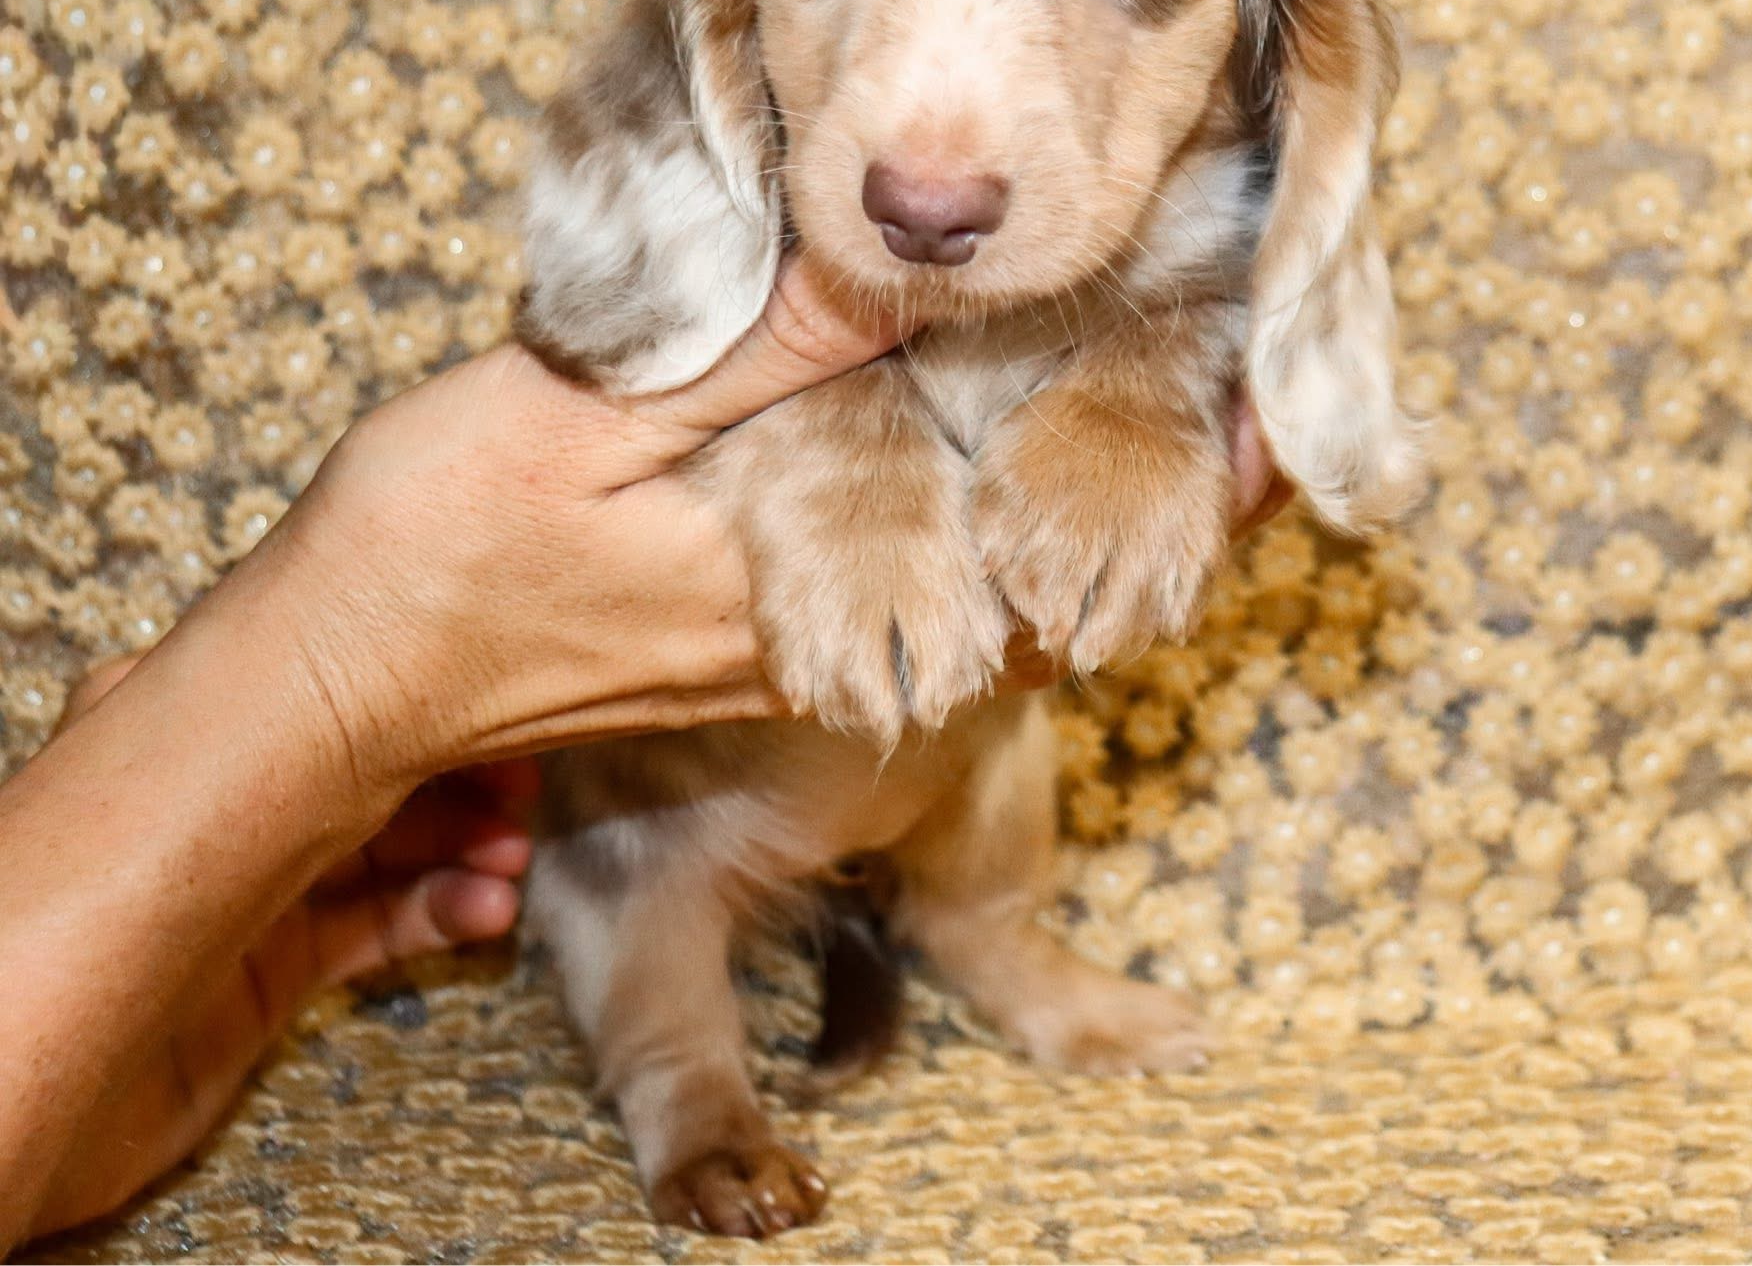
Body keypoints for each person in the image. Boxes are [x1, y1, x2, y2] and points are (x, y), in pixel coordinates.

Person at [0, 262, 1286, 1252]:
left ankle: (990, 940)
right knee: (621, 835)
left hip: (950, 733)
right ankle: (691, 1099)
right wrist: (328, 682)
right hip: (663, 799)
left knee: (1006, 726)